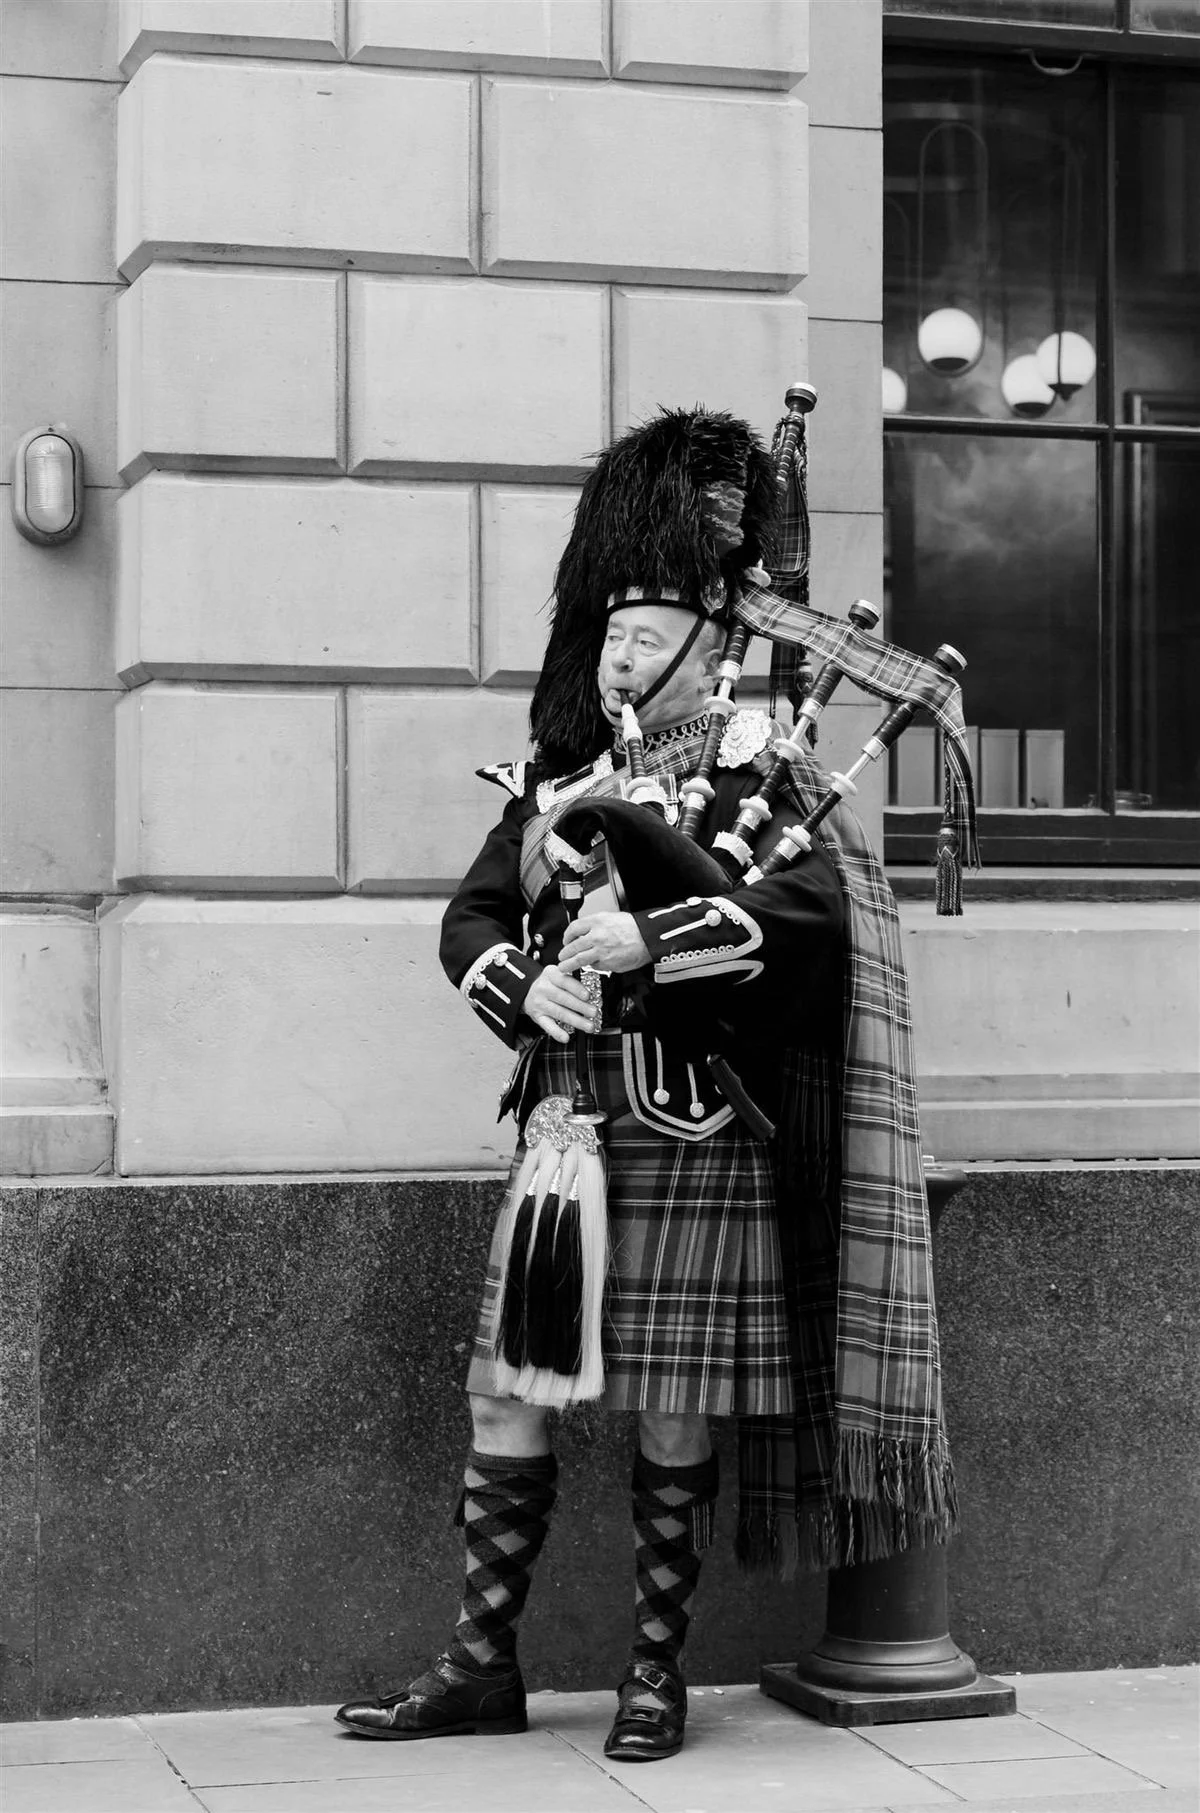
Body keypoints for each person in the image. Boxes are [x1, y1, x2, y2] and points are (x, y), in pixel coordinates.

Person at [335, 408, 957, 1761]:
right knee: (509, 1388)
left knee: (672, 1403)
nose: (616, 645)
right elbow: (470, 920)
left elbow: (807, 928)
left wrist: (649, 941)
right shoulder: (560, 778)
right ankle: (479, 1664)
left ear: (709, 642)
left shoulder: (772, 776)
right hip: (566, 1129)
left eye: (647, 623)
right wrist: (527, 982)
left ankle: (654, 1677)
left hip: (690, 1122)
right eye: (609, 621)